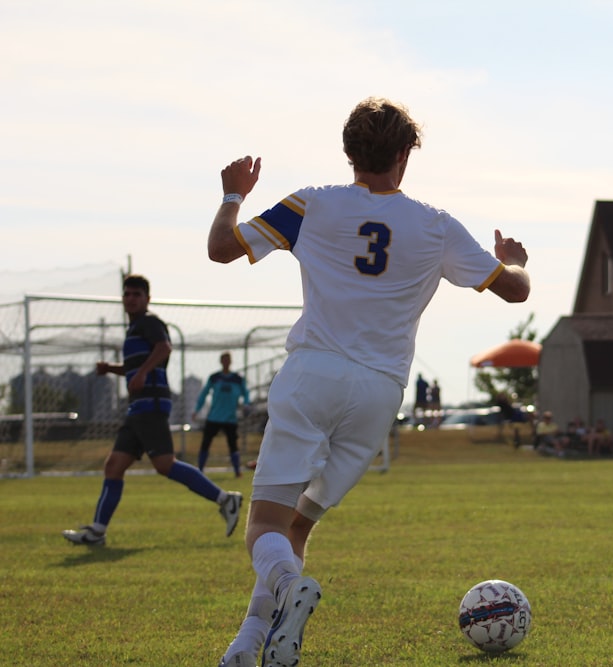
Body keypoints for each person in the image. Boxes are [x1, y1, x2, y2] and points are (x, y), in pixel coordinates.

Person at [207, 97, 530, 667]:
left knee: (264, 527)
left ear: (348, 151)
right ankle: (249, 644)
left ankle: (283, 592)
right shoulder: (436, 224)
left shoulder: (311, 204)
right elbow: (515, 290)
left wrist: (234, 194)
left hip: (313, 376)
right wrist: (511, 259)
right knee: (298, 528)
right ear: (405, 155)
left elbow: (220, 249)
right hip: (380, 393)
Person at [62, 275, 243, 547]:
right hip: (138, 408)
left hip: (151, 405)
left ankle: (225, 499)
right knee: (114, 465)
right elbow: (139, 364)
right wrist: (111, 369)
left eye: (137, 294)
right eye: (127, 294)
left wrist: (143, 373)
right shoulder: (134, 330)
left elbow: (163, 348)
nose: (131, 298)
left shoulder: (150, 323)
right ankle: (97, 532)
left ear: (147, 299)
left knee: (164, 464)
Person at [193, 352, 252, 477]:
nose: (226, 362)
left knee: (233, 446)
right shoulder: (214, 377)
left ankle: (237, 471)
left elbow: (246, 393)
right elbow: (204, 394)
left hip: (230, 419)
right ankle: (200, 469)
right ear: (221, 361)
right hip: (214, 417)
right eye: (224, 359)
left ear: (230, 361)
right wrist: (196, 409)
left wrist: (247, 404)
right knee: (205, 443)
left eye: (228, 359)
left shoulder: (237, 379)